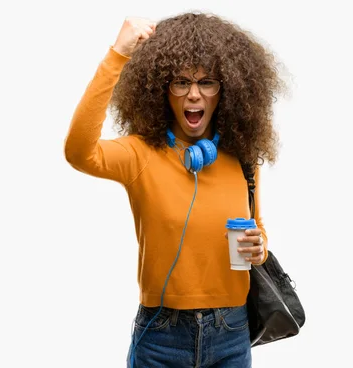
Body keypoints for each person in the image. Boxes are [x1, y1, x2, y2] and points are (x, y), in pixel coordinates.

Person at [64, 12, 285, 368]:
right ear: (161, 90)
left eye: (207, 82)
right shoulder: (140, 155)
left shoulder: (243, 160)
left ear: (226, 90)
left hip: (232, 330)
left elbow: (256, 229)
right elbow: (78, 152)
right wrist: (118, 54)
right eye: (180, 82)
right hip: (161, 334)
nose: (194, 94)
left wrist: (259, 248)